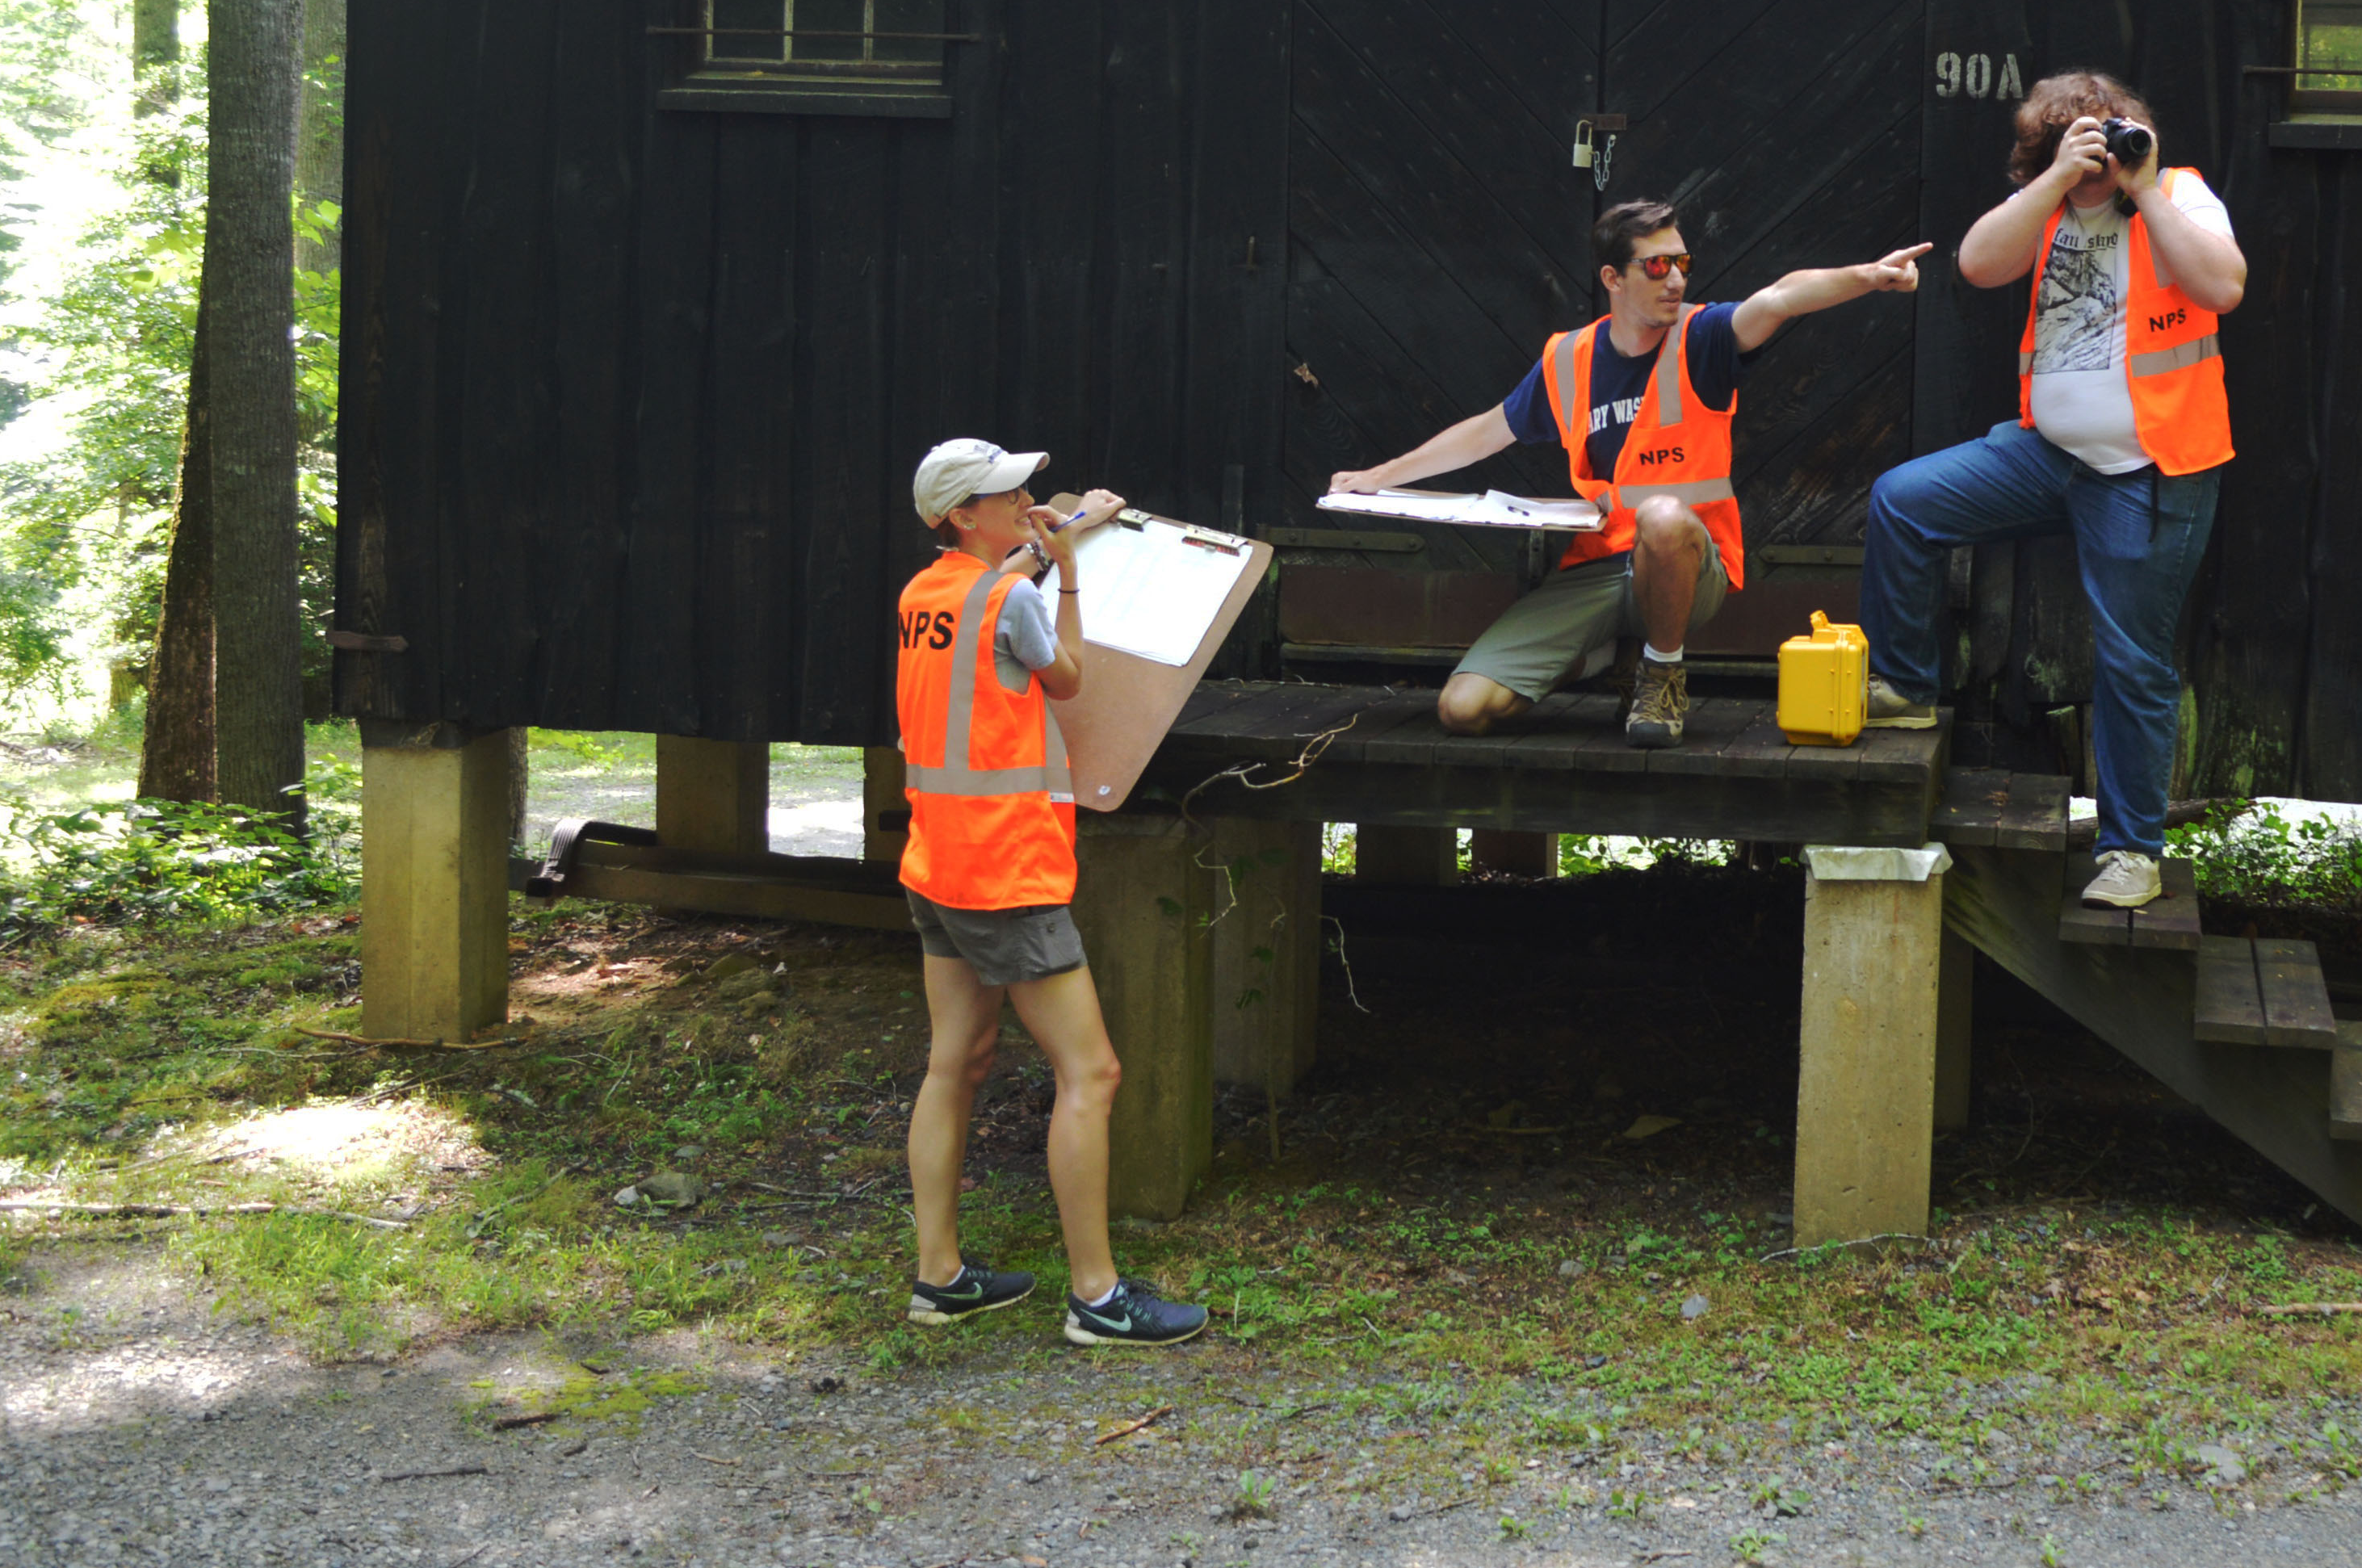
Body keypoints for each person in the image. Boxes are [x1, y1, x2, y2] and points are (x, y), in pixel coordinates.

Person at [1327, 200, 1928, 749]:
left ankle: (1661, 674)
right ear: (1612, 278)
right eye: (1657, 265)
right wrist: (1383, 474)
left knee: (1663, 516)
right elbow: (1488, 430)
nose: (1676, 278)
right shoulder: (1568, 357)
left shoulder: (1704, 337)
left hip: (1689, 565)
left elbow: (1780, 297)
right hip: (1598, 565)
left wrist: (1868, 277)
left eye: (1682, 262)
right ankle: (1609, 660)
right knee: (1464, 710)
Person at [1854, 70, 2242, 909]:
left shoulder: (2180, 194)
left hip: (2152, 470)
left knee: (2133, 661)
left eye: (2114, 142)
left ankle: (2133, 850)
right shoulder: (2051, 204)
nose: (2103, 160)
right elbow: (1978, 265)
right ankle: (1905, 687)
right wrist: (2057, 180)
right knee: (1903, 500)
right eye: (2082, 146)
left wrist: (2143, 190)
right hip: (2048, 454)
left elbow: (2223, 288)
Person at [892, 438, 1209, 1349]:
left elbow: (993, 592)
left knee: (955, 1062)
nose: (1027, 496)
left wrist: (1060, 535)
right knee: (1092, 1072)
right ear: (964, 513)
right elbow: (1062, 671)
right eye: (1008, 492)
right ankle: (1097, 1297)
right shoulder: (1021, 597)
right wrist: (1067, 575)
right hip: (1007, 869)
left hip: (937, 863)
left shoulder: (929, 593)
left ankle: (940, 1277)